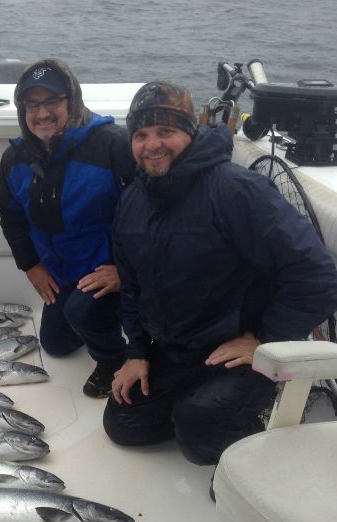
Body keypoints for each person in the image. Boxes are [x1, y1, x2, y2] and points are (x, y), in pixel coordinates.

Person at [107, 81, 337, 484]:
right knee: (124, 424)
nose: (152, 144)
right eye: (141, 135)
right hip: (179, 347)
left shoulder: (235, 190)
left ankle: (253, 441)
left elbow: (317, 274)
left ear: (189, 133)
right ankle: (200, 406)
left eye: (166, 131)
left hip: (238, 345)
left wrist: (264, 339)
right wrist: (137, 352)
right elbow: (132, 285)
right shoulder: (134, 201)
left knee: (197, 433)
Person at [0, 58, 136, 398]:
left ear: (71, 101)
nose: (42, 113)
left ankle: (114, 358)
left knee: (81, 311)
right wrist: (30, 265)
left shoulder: (113, 145)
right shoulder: (15, 158)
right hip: (63, 273)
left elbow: (149, 215)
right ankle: (99, 319)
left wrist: (125, 271)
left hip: (113, 271)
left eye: (52, 102)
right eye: (32, 104)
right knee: (55, 345)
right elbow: (9, 214)